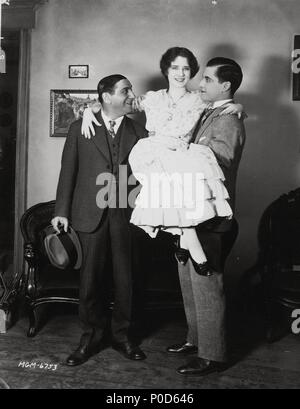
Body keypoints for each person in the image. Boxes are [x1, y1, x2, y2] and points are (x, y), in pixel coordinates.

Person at [82, 47, 243, 276]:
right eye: (175, 67)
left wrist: (240, 107)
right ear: (166, 70)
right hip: (153, 155)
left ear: (192, 72)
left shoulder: (200, 99)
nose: (180, 73)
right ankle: (188, 241)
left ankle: (185, 240)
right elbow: (115, 104)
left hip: (181, 156)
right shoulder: (152, 98)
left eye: (186, 68)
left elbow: (222, 106)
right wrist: (90, 109)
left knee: (180, 198)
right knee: (168, 199)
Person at [52, 74, 148, 366]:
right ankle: (91, 337)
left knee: (126, 280)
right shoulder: (79, 128)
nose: (131, 94)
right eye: (125, 90)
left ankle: (123, 336)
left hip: (126, 214)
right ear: (106, 97)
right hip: (87, 214)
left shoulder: (140, 132)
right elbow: (68, 170)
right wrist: (61, 211)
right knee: (90, 281)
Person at [167, 57, 246, 376]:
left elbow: (221, 160)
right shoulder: (212, 112)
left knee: (207, 282)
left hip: (210, 215)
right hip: (190, 212)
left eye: (208, 80)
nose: (201, 84)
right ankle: (196, 340)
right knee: (189, 279)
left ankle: (213, 355)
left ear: (226, 86)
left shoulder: (228, 118)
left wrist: (176, 155)